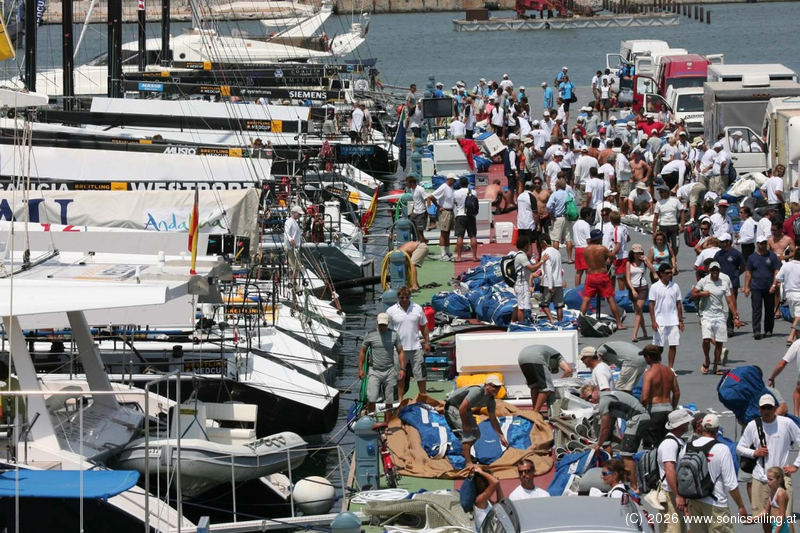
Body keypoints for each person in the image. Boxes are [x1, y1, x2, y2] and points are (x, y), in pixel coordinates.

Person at [736, 394, 800, 533]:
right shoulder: (753, 426)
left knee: (786, 517)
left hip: (781, 478)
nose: (766, 411)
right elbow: (740, 448)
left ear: (775, 408)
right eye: (764, 408)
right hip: (760, 478)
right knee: (764, 517)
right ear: (759, 409)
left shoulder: (786, 423)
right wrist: (755, 453)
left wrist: (796, 465)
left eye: (769, 408)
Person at [676, 413, 748, 532]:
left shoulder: (687, 447)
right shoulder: (722, 449)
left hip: (694, 501)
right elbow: (731, 484)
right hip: (716, 503)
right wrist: (741, 506)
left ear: (702, 427)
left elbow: (680, 473)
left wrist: (683, 499)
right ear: (717, 429)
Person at [582, 384, 650, 491]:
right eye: (587, 400)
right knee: (625, 452)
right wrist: (619, 440)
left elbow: (604, 428)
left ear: (596, 390)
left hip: (638, 418)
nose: (590, 400)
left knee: (626, 455)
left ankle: (634, 488)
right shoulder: (608, 398)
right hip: (639, 417)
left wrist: (598, 444)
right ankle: (628, 482)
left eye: (590, 396)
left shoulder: (603, 401)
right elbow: (608, 429)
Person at [444, 375, 509, 469]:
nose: (497, 389)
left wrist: (501, 437)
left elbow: (493, 419)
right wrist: (465, 424)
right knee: (468, 436)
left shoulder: (491, 401)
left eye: (499, 387)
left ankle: (465, 452)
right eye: (494, 386)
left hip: (465, 409)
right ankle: (468, 463)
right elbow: (462, 408)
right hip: (454, 407)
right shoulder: (477, 391)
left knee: (476, 434)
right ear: (487, 385)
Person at [692, 262, 742, 375]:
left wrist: (735, 317)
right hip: (706, 314)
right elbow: (693, 294)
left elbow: (730, 301)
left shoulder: (723, 283)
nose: (715, 272)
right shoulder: (704, 281)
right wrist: (702, 293)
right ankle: (707, 359)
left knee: (719, 342)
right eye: (713, 270)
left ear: (719, 271)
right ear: (709, 271)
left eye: (717, 270)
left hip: (720, 315)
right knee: (706, 339)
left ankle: (715, 366)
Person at [386, 286, 431, 395]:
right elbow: (387, 330)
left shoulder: (417, 308)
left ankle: (423, 397)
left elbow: (423, 326)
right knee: (400, 376)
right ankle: (400, 399)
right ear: (398, 297)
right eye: (402, 297)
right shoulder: (391, 311)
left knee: (421, 376)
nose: (405, 300)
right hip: (399, 349)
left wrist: (427, 342)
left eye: (407, 297)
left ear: (410, 296)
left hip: (416, 348)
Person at [655, 409, 694, 533]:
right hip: (670, 493)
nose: (688, 424)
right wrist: (678, 495)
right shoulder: (670, 444)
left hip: (674, 492)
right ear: (681, 424)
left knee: (679, 528)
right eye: (686, 422)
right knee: (673, 529)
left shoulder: (678, 441)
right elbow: (670, 470)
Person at [580, 229, 627, 329]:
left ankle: (579, 323)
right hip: (601, 275)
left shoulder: (586, 250)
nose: (602, 238)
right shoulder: (602, 249)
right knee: (610, 299)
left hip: (590, 276)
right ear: (598, 238)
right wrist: (608, 255)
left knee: (586, 299)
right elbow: (613, 256)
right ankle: (619, 323)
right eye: (601, 237)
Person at [358, 313, 405, 411]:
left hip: (389, 370)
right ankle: (370, 417)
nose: (382, 327)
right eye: (380, 325)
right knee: (372, 398)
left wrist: (402, 369)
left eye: (384, 325)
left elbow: (400, 351)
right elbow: (363, 351)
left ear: (388, 323)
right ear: (377, 323)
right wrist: (360, 369)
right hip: (374, 370)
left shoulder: (394, 335)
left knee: (389, 400)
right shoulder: (370, 334)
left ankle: (388, 420)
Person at [640, 344, 681, 449]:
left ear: (648, 357)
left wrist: (642, 411)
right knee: (665, 444)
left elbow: (644, 398)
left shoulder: (649, 374)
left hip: (654, 411)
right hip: (668, 409)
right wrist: (672, 408)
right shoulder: (669, 372)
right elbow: (676, 393)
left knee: (651, 447)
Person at [517, 345, 572, 414]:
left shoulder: (549, 355)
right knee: (547, 389)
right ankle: (535, 413)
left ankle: (535, 411)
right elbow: (568, 370)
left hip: (522, 357)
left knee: (534, 386)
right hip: (536, 357)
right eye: (551, 370)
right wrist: (559, 382)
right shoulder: (558, 357)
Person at [649, 263, 683, 369]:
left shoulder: (675, 286)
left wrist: (680, 320)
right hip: (660, 321)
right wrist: (653, 321)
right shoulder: (654, 287)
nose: (669, 275)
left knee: (673, 345)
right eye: (667, 273)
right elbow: (651, 305)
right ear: (661, 274)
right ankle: (656, 366)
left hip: (673, 320)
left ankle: (670, 368)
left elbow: (678, 304)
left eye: (670, 273)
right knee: (659, 347)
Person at [746, 236, 781, 340]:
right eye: (761, 243)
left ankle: (768, 329)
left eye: (765, 243)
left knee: (769, 309)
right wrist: (746, 287)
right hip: (756, 287)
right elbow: (748, 273)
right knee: (756, 310)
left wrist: (774, 285)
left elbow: (776, 271)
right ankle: (756, 330)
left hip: (769, 287)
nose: (763, 245)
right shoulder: (752, 257)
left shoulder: (772, 256)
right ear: (757, 244)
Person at [715, 234, 745, 336]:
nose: (721, 243)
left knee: (731, 304)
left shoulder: (736, 254)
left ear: (728, 242)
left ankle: (730, 326)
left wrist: (736, 274)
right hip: (720, 283)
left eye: (723, 241)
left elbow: (743, 267)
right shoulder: (718, 254)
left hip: (733, 283)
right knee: (720, 305)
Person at [626, 244, 656, 343]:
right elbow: (628, 278)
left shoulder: (643, 262)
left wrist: (647, 260)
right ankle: (644, 332)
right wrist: (633, 290)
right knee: (638, 311)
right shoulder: (629, 263)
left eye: (640, 253)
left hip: (643, 287)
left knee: (638, 310)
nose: (638, 255)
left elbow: (653, 270)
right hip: (633, 288)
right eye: (636, 253)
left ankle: (634, 335)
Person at [530, 235, 563, 323]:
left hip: (549, 283)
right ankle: (560, 322)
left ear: (543, 242)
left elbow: (548, 270)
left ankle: (552, 320)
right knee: (559, 305)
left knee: (544, 304)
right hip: (558, 281)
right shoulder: (557, 252)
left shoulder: (545, 253)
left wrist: (550, 286)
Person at [747, 466, 791, 533]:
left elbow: (781, 516)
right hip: (774, 524)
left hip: (780, 526)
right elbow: (765, 511)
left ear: (779, 480)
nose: (768, 481)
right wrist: (752, 519)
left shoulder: (780, 494)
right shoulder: (772, 491)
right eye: (768, 479)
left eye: (771, 479)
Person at [769, 339, 800, 416]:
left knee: (798, 391)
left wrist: (772, 378)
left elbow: (781, 364)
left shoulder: (797, 343)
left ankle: (796, 415)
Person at [430, 173, 456, 261]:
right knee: (443, 233)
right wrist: (438, 206)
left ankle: (448, 251)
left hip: (451, 211)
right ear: (450, 179)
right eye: (454, 180)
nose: (455, 182)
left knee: (447, 232)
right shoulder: (443, 187)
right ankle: (443, 253)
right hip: (445, 212)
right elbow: (432, 196)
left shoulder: (451, 188)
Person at [777, 248, 800, 345]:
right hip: (798, 294)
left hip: (789, 294)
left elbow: (778, 278)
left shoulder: (786, 266)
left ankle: (798, 339)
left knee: (795, 316)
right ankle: (791, 336)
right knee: (798, 317)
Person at [546, 178, 574, 259]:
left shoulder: (555, 195)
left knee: (556, 239)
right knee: (568, 238)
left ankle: (556, 257)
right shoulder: (568, 194)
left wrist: (551, 212)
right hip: (567, 217)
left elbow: (548, 206)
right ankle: (569, 258)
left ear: (557, 186)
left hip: (558, 218)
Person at [453, 177, 478, 262]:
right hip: (471, 216)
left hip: (460, 215)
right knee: (473, 236)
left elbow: (454, 202)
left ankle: (459, 257)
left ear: (460, 184)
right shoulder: (473, 192)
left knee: (460, 236)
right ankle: (474, 256)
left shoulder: (456, 193)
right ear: (468, 184)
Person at [471, 466, 503, 531]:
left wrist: (498, 486)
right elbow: (495, 482)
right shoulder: (479, 500)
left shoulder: (487, 501)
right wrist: (481, 472)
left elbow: (501, 504)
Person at [653, 186, 682, 256]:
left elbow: (682, 212)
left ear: (667, 192)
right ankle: (668, 259)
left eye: (662, 192)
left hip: (674, 226)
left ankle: (673, 258)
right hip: (663, 226)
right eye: (660, 192)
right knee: (665, 246)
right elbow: (656, 217)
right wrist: (654, 231)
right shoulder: (658, 203)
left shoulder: (675, 201)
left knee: (676, 246)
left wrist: (682, 225)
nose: (660, 194)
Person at [608, 211, 630, 290]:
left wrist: (611, 257)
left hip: (620, 257)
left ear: (611, 220)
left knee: (620, 278)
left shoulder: (616, 230)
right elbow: (628, 238)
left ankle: (621, 294)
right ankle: (628, 293)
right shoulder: (624, 228)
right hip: (626, 255)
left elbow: (618, 246)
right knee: (626, 277)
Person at [406, 174, 430, 243]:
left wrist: (429, 211)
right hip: (415, 212)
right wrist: (411, 211)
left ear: (412, 183)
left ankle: (422, 243)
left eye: (407, 184)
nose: (406, 185)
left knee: (420, 231)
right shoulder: (411, 190)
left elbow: (428, 199)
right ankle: (422, 241)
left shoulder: (420, 189)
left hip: (421, 213)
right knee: (412, 229)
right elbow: (415, 201)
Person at [573, 207, 593, 287]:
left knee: (579, 272)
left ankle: (576, 288)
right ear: (587, 215)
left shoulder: (575, 224)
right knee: (588, 271)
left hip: (577, 249)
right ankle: (588, 287)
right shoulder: (586, 225)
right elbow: (588, 240)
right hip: (585, 249)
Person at [517, 181, 539, 245]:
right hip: (529, 224)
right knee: (529, 243)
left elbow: (518, 210)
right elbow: (535, 213)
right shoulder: (532, 197)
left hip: (520, 224)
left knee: (522, 243)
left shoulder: (519, 196)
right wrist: (538, 224)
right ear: (532, 188)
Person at [284, 205, 304, 278]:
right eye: (299, 214)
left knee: (297, 265)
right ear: (294, 213)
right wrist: (290, 239)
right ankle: (292, 281)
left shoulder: (295, 222)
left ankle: (293, 280)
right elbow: (286, 232)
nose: (300, 215)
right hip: (291, 246)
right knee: (294, 265)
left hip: (295, 246)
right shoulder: (289, 221)